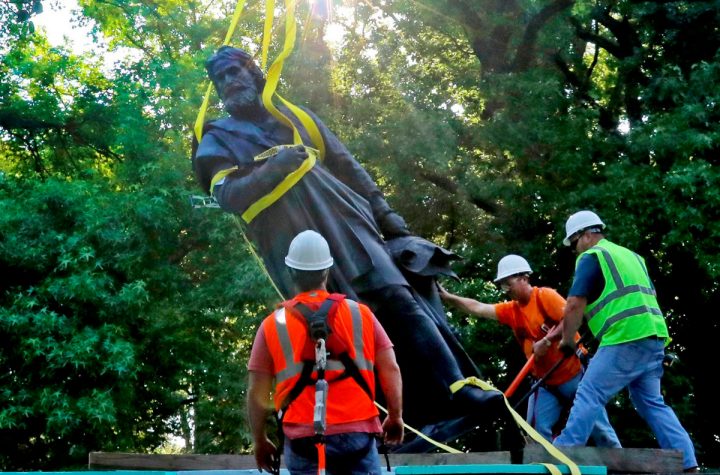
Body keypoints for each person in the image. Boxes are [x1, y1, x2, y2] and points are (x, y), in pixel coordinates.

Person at [192, 46, 521, 448]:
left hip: (348, 223)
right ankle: (393, 424)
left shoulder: (297, 118)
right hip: (297, 244)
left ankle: (456, 390)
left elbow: (350, 168)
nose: (229, 83)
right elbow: (228, 196)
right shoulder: (216, 138)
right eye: (220, 79)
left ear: (256, 72)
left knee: (399, 299)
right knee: (348, 331)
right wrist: (278, 166)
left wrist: (392, 224)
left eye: (235, 72)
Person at [247, 230, 404, 474]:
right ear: (327, 270)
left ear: (291, 272)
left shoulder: (272, 324)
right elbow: (390, 368)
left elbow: (256, 389)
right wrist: (395, 416)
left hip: (303, 437)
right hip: (357, 431)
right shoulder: (361, 314)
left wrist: (259, 440)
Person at [554, 210, 698, 471]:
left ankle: (564, 451)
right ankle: (688, 463)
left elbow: (575, 303)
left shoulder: (592, 256)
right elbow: (626, 297)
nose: (574, 250)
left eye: (573, 243)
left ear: (586, 236)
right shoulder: (632, 257)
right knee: (651, 403)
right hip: (653, 338)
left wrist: (567, 341)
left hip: (625, 338)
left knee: (589, 392)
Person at [439, 254, 620, 446]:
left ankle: (624, 466)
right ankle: (547, 468)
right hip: (545, 383)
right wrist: (449, 298)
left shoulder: (544, 297)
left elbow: (571, 318)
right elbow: (478, 308)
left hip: (574, 375)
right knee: (536, 434)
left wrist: (548, 340)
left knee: (599, 427)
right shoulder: (511, 310)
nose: (506, 290)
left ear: (523, 278)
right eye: (503, 285)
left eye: (508, 283)